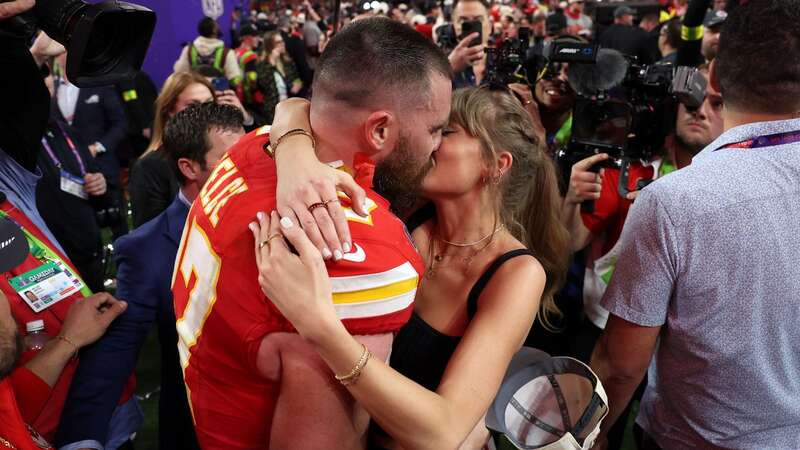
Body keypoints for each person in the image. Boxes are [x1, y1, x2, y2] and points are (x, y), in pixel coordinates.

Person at [171, 17, 452, 449]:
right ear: (379, 129)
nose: (439, 146)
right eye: (435, 129)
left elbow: (292, 113)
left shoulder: (255, 145)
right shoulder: (353, 247)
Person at [254, 85, 569, 449]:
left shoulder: (517, 274)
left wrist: (319, 327)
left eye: (444, 132)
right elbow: (297, 107)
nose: (428, 141)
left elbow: (443, 431)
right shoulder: (408, 207)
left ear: (496, 165)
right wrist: (295, 157)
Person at [591, 2, 800, 448]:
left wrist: (590, 436)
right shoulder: (676, 200)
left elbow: (620, 365)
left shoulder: (675, 200)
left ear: (716, 80)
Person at [56, 103, 245, 450]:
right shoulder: (147, 249)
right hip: (198, 429)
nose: (246, 172)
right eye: (231, 163)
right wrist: (82, 439)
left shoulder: (276, 213)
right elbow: (116, 349)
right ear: (189, 168)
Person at [562, 68, 724, 450]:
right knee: (600, 433)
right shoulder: (632, 170)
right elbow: (573, 240)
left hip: (682, 348)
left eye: (714, 103)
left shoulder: (728, 181)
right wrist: (570, 199)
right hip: (608, 326)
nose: (698, 110)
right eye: (690, 101)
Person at [36, 65, 109, 293]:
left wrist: (100, 182)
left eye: (48, 88)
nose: (45, 96)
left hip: (86, 242)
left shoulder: (65, 130)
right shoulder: (19, 144)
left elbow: (91, 170)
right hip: (51, 253)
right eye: (37, 89)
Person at [53, 53, 129, 240]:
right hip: (70, 177)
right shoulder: (51, 90)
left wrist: (98, 147)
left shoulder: (99, 86)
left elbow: (120, 124)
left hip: (104, 168)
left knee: (118, 227)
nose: (66, 55)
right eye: (61, 51)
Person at [128, 72, 214, 227]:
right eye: (192, 106)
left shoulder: (226, 155)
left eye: (209, 104)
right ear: (169, 111)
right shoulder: (149, 167)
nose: (204, 113)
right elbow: (149, 237)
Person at [174, 17, 243, 85]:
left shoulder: (188, 50)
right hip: (218, 94)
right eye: (217, 25)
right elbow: (234, 80)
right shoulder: (227, 53)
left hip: (194, 93)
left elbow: (179, 73)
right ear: (214, 30)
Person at [256, 31, 303, 124]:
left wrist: (298, 84)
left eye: (282, 41)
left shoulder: (287, 61)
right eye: (278, 42)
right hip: (273, 109)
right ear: (270, 46)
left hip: (290, 106)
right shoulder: (263, 64)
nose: (283, 44)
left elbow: (297, 77)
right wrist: (272, 62)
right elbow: (265, 85)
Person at [448, 0, 491, 88]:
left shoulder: (504, 64)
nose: (471, 26)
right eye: (463, 20)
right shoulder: (436, 63)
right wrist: (448, 68)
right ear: (454, 27)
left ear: (490, 26)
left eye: (478, 20)